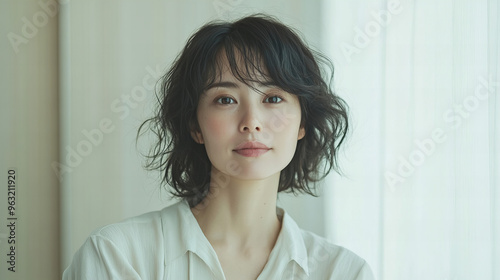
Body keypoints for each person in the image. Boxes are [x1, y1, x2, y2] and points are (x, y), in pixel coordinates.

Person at [63, 14, 375, 280]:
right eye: (225, 99)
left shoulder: (343, 272)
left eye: (273, 98)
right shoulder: (116, 257)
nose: (251, 122)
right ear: (195, 125)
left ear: (302, 123)